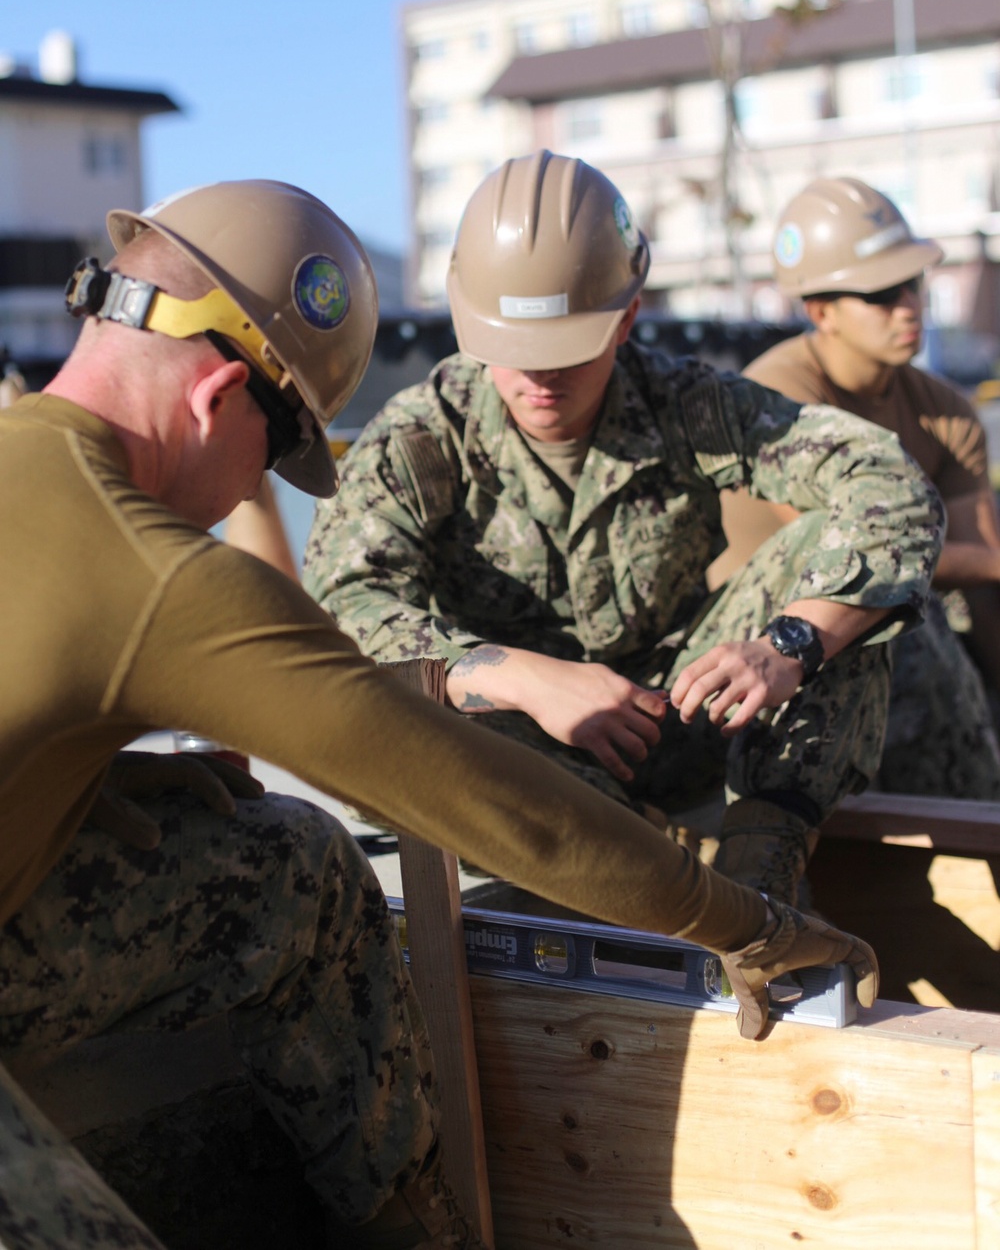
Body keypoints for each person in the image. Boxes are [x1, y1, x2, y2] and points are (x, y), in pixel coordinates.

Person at [0, 179, 879, 1250]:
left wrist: (93, 777)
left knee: (287, 866)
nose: (249, 493)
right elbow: (491, 806)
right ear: (219, 395)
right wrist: (750, 924)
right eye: (276, 460)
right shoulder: (157, 568)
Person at [304, 150, 944, 915]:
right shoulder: (422, 437)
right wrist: (514, 674)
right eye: (512, 351)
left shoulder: (684, 404)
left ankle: (758, 886)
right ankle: (640, 865)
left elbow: (887, 480)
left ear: (627, 318)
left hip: (678, 721)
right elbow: (344, 609)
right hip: (522, 761)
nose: (539, 379)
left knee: (834, 571)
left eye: (566, 349)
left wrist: (791, 644)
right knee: (377, 732)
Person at [711, 175, 1000, 799]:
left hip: (863, 640)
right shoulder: (779, 397)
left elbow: (985, 556)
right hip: (762, 651)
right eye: (881, 293)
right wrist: (932, 562)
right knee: (900, 606)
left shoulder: (944, 410)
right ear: (821, 312)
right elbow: (845, 558)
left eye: (913, 284)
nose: (909, 305)